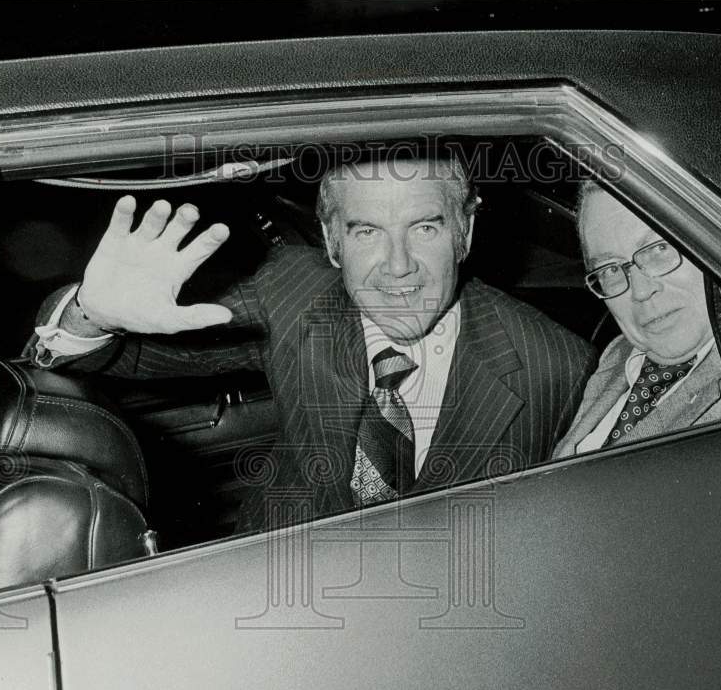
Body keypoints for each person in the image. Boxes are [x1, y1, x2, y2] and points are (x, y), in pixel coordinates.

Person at [29, 152, 596, 532]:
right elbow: (126, 355)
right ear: (331, 241)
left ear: (465, 232)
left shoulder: (556, 367)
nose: (399, 268)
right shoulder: (293, 290)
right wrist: (91, 313)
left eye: (426, 228)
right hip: (276, 571)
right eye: (367, 231)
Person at [553, 182, 721, 458]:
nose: (640, 291)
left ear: (715, 247)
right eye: (610, 270)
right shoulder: (618, 355)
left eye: (659, 249)